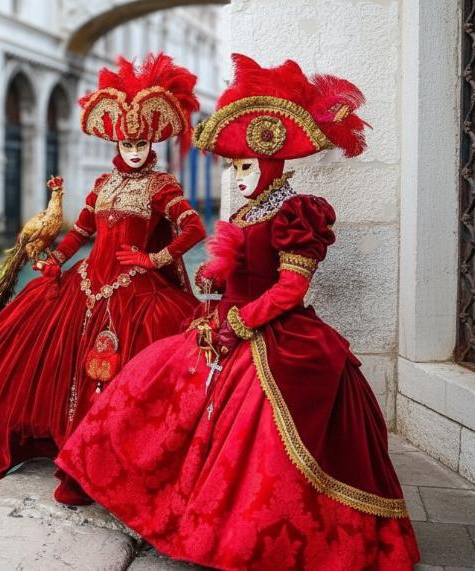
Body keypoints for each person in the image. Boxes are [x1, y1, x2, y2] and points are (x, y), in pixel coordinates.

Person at [56, 54, 420, 569]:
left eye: (247, 166)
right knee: (145, 382)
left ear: (272, 163)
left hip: (275, 338)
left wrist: (238, 322)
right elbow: (239, 267)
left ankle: (239, 533)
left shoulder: (298, 213)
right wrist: (214, 279)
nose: (240, 176)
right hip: (222, 325)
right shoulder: (252, 210)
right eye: (234, 167)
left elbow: (289, 290)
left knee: (260, 443)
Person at [0, 53, 207, 505]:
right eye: (126, 145)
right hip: (87, 284)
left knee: (115, 378)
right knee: (51, 363)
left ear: (151, 143)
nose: (133, 151)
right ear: (115, 141)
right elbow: (81, 231)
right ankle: (67, 452)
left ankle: (99, 470)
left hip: (135, 294)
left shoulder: (162, 186)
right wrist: (56, 258)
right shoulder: (103, 185)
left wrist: (154, 259)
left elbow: (194, 229)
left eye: (140, 145)